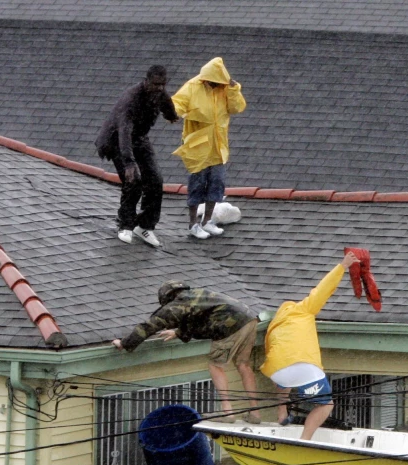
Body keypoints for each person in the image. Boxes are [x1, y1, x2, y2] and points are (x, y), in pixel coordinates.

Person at [112, 281, 264, 423]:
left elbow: (151, 324)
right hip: (249, 319)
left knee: (215, 365)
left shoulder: (177, 303)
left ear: (168, 297)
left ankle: (227, 413)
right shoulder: (198, 295)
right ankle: (255, 413)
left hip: (229, 325)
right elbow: (198, 319)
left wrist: (125, 343)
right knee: (243, 365)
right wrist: (178, 333)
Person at [260, 251, 360, 440]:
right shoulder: (302, 310)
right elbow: (323, 289)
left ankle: (282, 414)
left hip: (277, 371)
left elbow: (273, 355)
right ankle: (305, 439)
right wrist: (343, 266)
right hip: (303, 367)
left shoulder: (275, 325)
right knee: (326, 404)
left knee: (285, 382)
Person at [95, 65, 178, 247]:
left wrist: (172, 115)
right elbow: (124, 131)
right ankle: (126, 224)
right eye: (156, 84)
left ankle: (145, 225)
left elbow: (167, 105)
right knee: (133, 180)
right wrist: (129, 162)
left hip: (139, 137)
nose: (159, 88)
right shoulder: (131, 98)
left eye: (163, 85)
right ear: (146, 81)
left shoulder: (160, 93)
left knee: (156, 180)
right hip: (115, 139)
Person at [170, 57, 247, 241]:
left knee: (216, 184)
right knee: (197, 184)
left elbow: (237, 107)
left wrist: (234, 89)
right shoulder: (193, 87)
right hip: (198, 146)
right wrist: (174, 113)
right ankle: (193, 224)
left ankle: (207, 221)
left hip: (218, 146)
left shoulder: (225, 89)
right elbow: (178, 102)